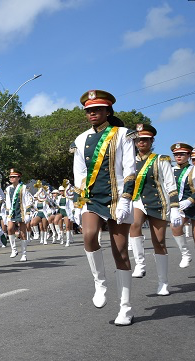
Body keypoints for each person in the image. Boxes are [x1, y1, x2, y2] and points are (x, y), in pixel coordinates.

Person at [73, 89, 136, 326]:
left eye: (97, 109)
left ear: (108, 110)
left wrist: (127, 199)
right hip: (92, 198)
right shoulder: (80, 140)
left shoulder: (123, 134)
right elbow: (79, 175)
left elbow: (130, 169)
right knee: (89, 236)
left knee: (120, 252)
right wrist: (79, 206)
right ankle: (100, 284)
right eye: (89, 110)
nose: (92, 113)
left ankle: (125, 308)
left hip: (118, 197)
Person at [128, 124, 180, 296]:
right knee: (134, 225)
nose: (141, 142)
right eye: (138, 139)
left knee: (159, 242)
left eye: (145, 139)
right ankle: (140, 265)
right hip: (138, 201)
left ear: (152, 141)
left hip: (157, 201)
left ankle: (163, 282)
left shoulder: (161, 159)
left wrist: (174, 208)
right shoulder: (129, 161)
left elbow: (170, 184)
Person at [170, 142, 195, 269]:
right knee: (175, 225)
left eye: (182, 154)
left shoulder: (193, 169)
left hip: (193, 203)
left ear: (189, 155)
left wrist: (190, 200)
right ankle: (185, 254)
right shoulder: (170, 170)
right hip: (180, 206)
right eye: (176, 154)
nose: (178, 157)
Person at [4, 168, 33, 261]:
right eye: (10, 177)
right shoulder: (8, 189)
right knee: (9, 228)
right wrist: (7, 214)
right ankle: (14, 249)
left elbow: (29, 201)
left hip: (22, 212)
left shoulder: (24, 188)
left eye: (14, 177)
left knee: (22, 233)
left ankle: (24, 254)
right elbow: (8, 202)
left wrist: (28, 213)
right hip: (12, 211)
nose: (11, 178)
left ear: (18, 178)